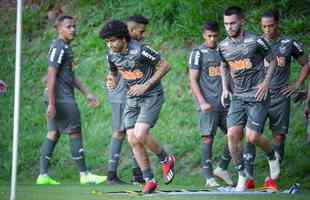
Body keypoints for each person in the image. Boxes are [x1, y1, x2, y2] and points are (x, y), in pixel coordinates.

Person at [99, 20, 175, 194]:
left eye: (112, 41)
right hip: (132, 98)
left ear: (124, 39)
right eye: (107, 42)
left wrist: (146, 85)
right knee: (132, 138)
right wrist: (111, 80)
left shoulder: (142, 50)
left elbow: (165, 66)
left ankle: (166, 159)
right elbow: (113, 72)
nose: (110, 45)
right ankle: (149, 179)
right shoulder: (111, 54)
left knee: (141, 133)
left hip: (151, 95)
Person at [36, 15, 106, 185]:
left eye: (74, 26)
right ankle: (85, 175)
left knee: (53, 133)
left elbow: (70, 76)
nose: (73, 29)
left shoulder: (66, 48)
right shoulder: (59, 47)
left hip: (56, 97)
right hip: (61, 99)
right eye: (69, 26)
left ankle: (43, 175)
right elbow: (50, 76)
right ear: (59, 29)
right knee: (74, 132)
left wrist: (87, 93)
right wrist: (52, 103)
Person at [244, 10, 309, 189]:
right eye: (264, 26)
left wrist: (297, 84)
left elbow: (306, 63)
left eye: (271, 26)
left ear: (277, 24)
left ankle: (272, 179)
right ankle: (247, 177)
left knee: (279, 136)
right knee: (251, 136)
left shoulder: (288, 43)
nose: (268, 30)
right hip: (258, 97)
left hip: (280, 98)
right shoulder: (255, 43)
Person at [219, 6, 280, 191]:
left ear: (241, 22)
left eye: (232, 23)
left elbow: (273, 60)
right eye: (226, 24)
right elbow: (223, 66)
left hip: (257, 95)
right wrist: (224, 88)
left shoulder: (256, 41)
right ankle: (241, 175)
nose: (229, 27)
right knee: (232, 135)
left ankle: (272, 156)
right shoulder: (223, 46)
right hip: (238, 97)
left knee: (252, 137)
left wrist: (266, 83)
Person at [188, 21, 233, 187]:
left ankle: (221, 167)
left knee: (235, 134)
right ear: (203, 35)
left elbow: (229, 73)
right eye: (209, 36)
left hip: (225, 104)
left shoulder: (224, 50)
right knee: (208, 138)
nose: (212, 39)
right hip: (208, 104)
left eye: (215, 36)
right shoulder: (198, 53)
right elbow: (192, 79)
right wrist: (201, 102)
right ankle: (209, 177)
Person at [105, 15, 149, 185]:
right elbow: (112, 71)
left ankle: (137, 174)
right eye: (141, 31)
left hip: (136, 96)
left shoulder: (138, 49)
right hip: (122, 96)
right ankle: (111, 175)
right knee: (121, 132)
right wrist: (110, 80)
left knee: (136, 131)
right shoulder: (116, 48)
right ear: (130, 31)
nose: (143, 34)